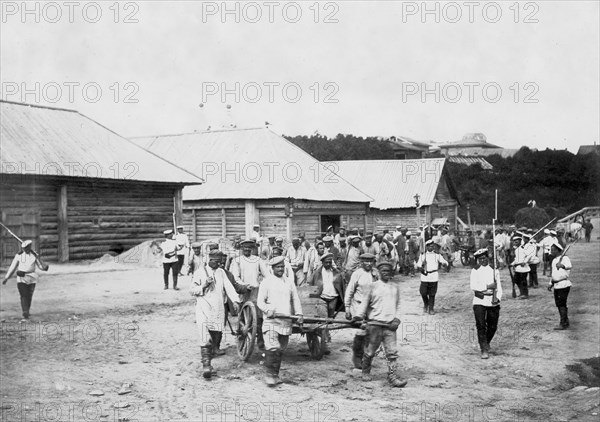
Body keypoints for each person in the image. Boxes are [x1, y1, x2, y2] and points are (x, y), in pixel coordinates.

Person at [189, 250, 241, 379]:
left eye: (220, 262)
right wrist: (204, 285)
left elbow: (228, 287)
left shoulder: (221, 272)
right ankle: (206, 365)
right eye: (215, 261)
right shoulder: (199, 273)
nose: (218, 264)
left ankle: (210, 362)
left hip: (217, 309)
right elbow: (192, 290)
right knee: (204, 337)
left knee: (215, 335)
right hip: (203, 308)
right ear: (209, 259)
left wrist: (235, 300)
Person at [356, 262, 407, 387]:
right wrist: (359, 317)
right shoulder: (372, 286)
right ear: (378, 273)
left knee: (392, 352)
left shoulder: (395, 287)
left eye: (388, 271)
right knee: (370, 351)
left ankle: (393, 377)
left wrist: (397, 319)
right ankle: (366, 371)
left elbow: (399, 305)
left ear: (391, 273)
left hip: (390, 326)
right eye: (383, 271)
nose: (385, 273)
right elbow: (364, 304)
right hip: (374, 325)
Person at [257, 256, 303, 386]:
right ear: (272, 268)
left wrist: (299, 314)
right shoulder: (266, 282)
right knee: (273, 347)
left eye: (282, 267)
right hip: (271, 321)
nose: (280, 269)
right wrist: (267, 310)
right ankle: (269, 376)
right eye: (278, 267)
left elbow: (295, 299)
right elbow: (260, 302)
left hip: (285, 321)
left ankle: (275, 375)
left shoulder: (289, 282)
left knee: (281, 349)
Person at [230, 239, 268, 349]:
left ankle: (261, 341)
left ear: (252, 249)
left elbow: (267, 274)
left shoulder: (257, 260)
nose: (247, 249)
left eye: (249, 248)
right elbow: (235, 278)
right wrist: (245, 285)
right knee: (244, 317)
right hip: (244, 291)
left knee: (259, 317)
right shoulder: (237, 261)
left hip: (256, 291)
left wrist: (264, 284)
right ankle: (241, 338)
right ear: (241, 249)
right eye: (244, 248)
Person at [344, 253, 378, 370]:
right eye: (366, 261)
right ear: (361, 262)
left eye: (371, 261)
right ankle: (357, 359)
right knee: (361, 332)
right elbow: (349, 291)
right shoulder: (357, 274)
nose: (369, 264)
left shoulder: (375, 273)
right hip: (358, 306)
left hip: (372, 307)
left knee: (371, 333)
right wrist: (347, 308)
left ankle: (366, 358)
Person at [2, 240, 49, 321]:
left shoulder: (34, 255)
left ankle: (27, 310)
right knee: (23, 294)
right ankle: (25, 311)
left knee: (29, 295)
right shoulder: (19, 256)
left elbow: (41, 267)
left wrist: (42, 263)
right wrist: (6, 277)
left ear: (30, 247)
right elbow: (12, 267)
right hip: (21, 277)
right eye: (24, 248)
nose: (25, 250)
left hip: (32, 277)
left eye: (27, 248)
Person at [470, 248, 502, 359]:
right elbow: (473, 286)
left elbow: (499, 287)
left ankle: (486, 342)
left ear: (488, 258)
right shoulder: (475, 270)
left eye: (484, 258)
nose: (482, 261)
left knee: (493, 326)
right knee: (481, 325)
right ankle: (483, 348)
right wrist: (487, 286)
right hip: (479, 300)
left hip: (492, 301)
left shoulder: (494, 270)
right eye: (480, 259)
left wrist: (498, 298)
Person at [415, 239, 448, 315]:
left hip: (434, 276)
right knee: (423, 292)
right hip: (425, 276)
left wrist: (444, 264)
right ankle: (426, 304)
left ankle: (431, 308)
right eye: (430, 246)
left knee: (432, 294)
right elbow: (418, 264)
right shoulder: (423, 255)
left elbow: (445, 262)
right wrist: (421, 267)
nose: (431, 248)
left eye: (432, 246)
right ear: (426, 247)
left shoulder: (437, 255)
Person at [547, 242, 573, 330]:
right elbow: (553, 274)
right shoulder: (554, 260)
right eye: (551, 250)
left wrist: (562, 265)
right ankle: (565, 320)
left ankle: (563, 323)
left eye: (553, 250)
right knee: (559, 304)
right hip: (556, 284)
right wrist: (551, 284)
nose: (551, 251)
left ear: (558, 250)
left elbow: (569, 266)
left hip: (564, 284)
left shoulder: (565, 258)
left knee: (562, 304)